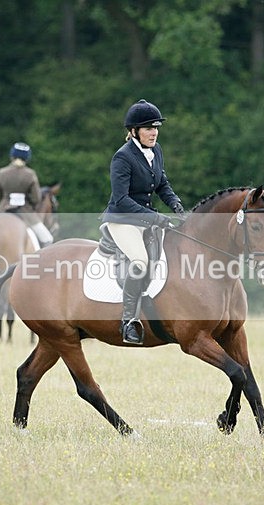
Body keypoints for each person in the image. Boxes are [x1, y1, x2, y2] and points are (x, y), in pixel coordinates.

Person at [101, 99, 185, 345]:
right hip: (122, 220)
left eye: (156, 127)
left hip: (145, 220)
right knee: (140, 261)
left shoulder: (156, 151)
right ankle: (128, 321)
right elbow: (122, 199)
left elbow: (162, 185)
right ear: (134, 131)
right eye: (148, 128)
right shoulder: (122, 158)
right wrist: (157, 218)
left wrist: (176, 205)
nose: (154, 132)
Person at [0, 142, 54, 248]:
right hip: (25, 212)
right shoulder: (30, 174)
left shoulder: (2, 172)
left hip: (3, 209)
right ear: (27, 158)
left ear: (12, 156)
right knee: (47, 238)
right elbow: (36, 198)